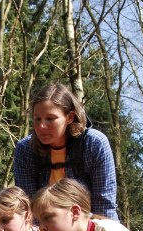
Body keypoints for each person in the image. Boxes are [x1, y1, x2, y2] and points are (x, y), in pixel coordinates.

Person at [13, 83, 119, 220]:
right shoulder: (25, 149)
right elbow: (29, 208)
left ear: (69, 117)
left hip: (90, 228)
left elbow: (104, 206)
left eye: (50, 119)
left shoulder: (94, 144)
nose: (41, 126)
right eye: (37, 118)